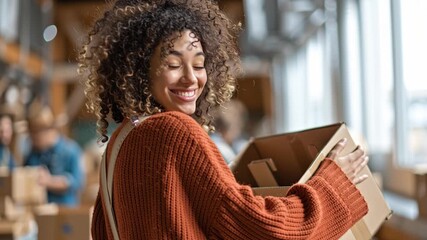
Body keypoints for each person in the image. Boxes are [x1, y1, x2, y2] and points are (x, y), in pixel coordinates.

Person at [79, 0, 369, 239]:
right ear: (142, 70)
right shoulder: (175, 129)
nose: (191, 78)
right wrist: (333, 184)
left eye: (199, 64)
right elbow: (262, 228)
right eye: (173, 64)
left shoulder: (122, 141)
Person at [23, 103, 85, 207]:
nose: (32, 139)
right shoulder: (33, 153)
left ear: (49, 130)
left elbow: (77, 183)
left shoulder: (71, 150)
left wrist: (49, 181)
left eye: (35, 134)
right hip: (39, 213)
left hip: (64, 214)